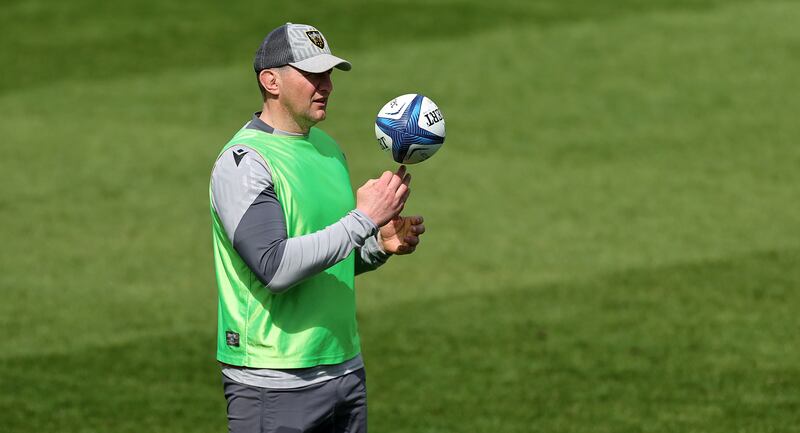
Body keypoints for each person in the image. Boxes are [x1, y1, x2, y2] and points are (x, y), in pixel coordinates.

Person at [209, 23, 425, 433]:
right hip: (274, 380)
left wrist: (377, 244)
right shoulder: (245, 161)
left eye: (328, 74)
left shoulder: (327, 149)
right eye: (312, 75)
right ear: (270, 81)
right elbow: (274, 268)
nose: (325, 85)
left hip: (343, 368)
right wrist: (363, 219)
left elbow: (327, 259)